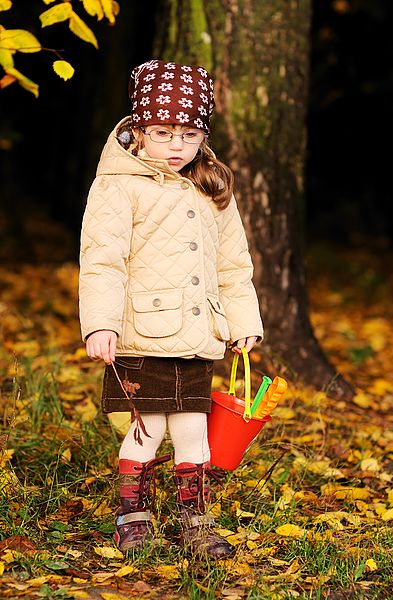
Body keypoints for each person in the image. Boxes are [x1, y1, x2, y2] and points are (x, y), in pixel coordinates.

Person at [78, 59, 264, 558]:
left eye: (189, 134)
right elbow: (103, 260)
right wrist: (100, 323)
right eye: (163, 132)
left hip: (199, 337)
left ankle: (196, 521)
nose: (177, 146)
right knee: (149, 428)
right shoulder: (117, 184)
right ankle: (132, 517)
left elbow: (233, 264)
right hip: (141, 333)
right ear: (138, 130)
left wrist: (244, 323)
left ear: (202, 134)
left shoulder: (212, 187)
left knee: (193, 428)